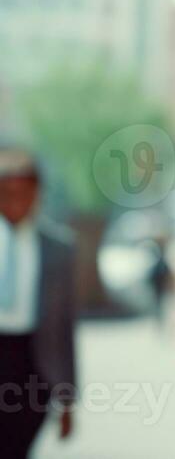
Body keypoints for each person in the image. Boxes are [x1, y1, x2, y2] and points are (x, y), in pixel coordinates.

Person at [0, 146, 76, 457]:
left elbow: (64, 329)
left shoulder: (58, 248)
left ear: (37, 194)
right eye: (6, 193)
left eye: (23, 193)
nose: (15, 202)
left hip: (33, 364)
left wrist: (67, 400)